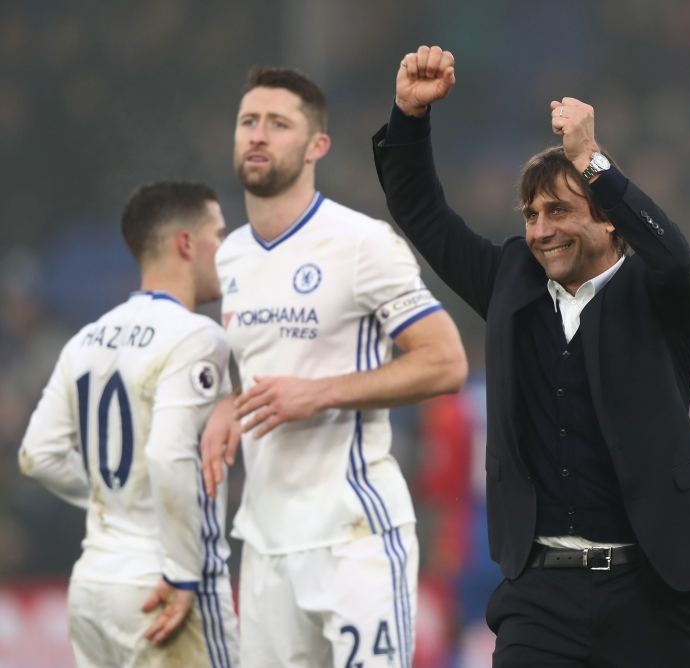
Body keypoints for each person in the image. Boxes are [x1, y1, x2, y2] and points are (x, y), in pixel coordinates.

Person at [372, 45, 690, 667]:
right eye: (531, 214)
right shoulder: (510, 281)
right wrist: (409, 118)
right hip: (542, 595)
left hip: (653, 592)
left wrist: (591, 159)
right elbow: (422, 212)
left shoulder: (662, 294)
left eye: (559, 209)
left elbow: (676, 258)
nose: (540, 229)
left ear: (610, 223)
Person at [199, 67, 468, 668]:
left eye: (278, 123)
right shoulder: (232, 256)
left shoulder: (362, 243)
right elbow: (257, 364)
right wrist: (226, 403)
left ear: (316, 145)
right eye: (248, 122)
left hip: (354, 536)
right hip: (265, 546)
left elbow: (445, 361)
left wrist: (318, 394)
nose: (258, 136)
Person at [19, 181, 238, 667]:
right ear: (186, 243)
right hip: (163, 583)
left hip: (94, 586)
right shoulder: (198, 335)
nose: (227, 250)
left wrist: (112, 497)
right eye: (219, 236)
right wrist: (184, 573)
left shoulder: (85, 339)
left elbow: (37, 454)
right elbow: (167, 453)